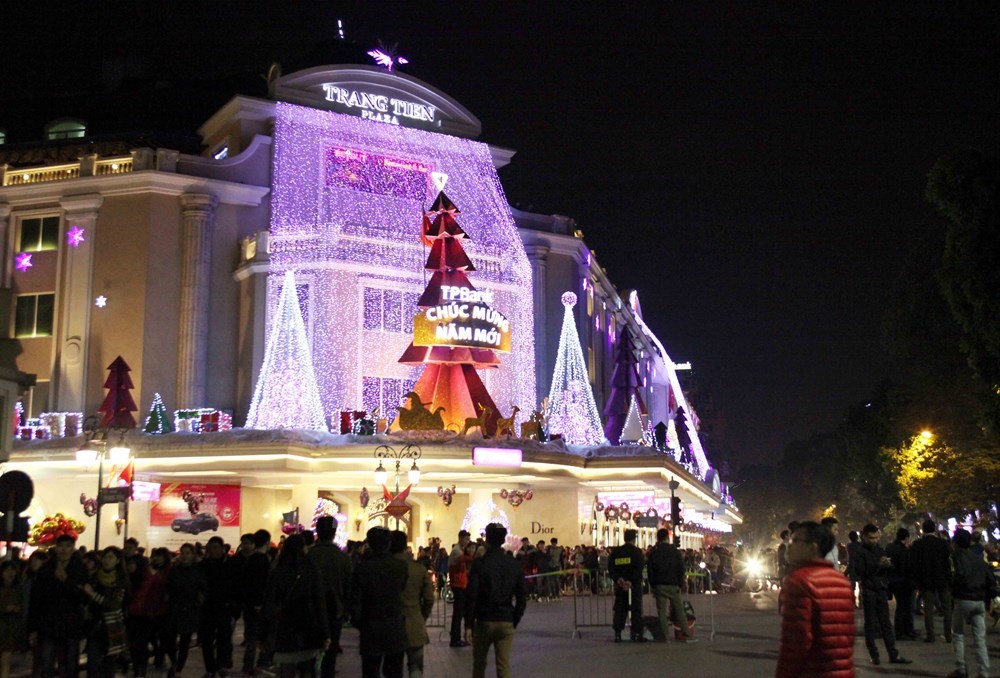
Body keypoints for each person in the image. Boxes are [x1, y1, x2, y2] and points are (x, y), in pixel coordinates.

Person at [775, 521, 854, 677]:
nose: (789, 545)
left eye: (795, 541)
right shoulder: (842, 582)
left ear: (812, 547)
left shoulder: (799, 582)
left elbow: (796, 642)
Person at [262, 534, 329, 678]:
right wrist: (325, 633)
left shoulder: (277, 572)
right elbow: (319, 604)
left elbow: (269, 602)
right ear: (303, 548)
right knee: (307, 667)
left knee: (287, 667)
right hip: (307, 625)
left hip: (285, 625)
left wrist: (264, 632)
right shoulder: (311, 571)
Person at [468, 523, 527, 678]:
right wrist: (515, 618)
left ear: (487, 539)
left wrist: (468, 623)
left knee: (479, 664)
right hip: (506, 619)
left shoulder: (480, 564)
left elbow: (472, 595)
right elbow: (522, 596)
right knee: (503, 665)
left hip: (484, 620)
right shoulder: (513, 564)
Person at [350, 527, 407, 678]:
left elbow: (354, 599)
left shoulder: (362, 568)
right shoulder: (400, 567)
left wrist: (359, 622)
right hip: (394, 626)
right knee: (394, 672)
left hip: (370, 627)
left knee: (370, 671)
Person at [29, 533, 88, 678]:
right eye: (61, 546)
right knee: (47, 665)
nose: (64, 550)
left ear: (73, 548)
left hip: (71, 625)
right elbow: (36, 600)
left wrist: (66, 580)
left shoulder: (80, 569)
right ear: (56, 548)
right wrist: (33, 628)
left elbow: (83, 597)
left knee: (70, 666)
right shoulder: (46, 570)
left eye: (68, 546)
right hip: (49, 624)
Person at [853, 524, 910, 666]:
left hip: (880, 589)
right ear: (864, 537)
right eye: (871, 538)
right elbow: (861, 571)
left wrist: (887, 565)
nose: (874, 540)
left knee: (886, 624)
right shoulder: (860, 552)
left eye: (876, 537)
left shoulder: (879, 549)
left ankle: (893, 654)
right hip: (869, 590)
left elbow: (885, 566)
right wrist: (878, 564)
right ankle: (874, 654)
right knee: (870, 624)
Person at [949, 528, 998, 678]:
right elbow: (990, 580)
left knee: (958, 634)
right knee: (980, 639)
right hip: (979, 601)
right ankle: (983, 672)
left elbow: (957, 578)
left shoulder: (956, 558)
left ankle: (961, 669)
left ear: (955, 543)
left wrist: (954, 591)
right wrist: (990, 597)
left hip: (963, 599)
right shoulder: (978, 559)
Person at [308, 516, 352, 678]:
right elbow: (348, 585)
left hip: (310, 609)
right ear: (334, 532)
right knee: (331, 652)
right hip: (335, 610)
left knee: (309, 652)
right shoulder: (342, 557)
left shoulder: (309, 555)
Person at [389, 531, 434, 678]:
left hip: (391, 625)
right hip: (414, 622)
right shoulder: (418, 569)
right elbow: (429, 598)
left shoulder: (386, 568)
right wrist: (422, 616)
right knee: (415, 667)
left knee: (393, 669)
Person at [647, 528, 695, 643]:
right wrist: (681, 583)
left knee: (662, 612)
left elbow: (650, 570)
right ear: (667, 537)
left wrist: (653, 585)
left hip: (659, 585)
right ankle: (687, 634)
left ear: (657, 538)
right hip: (673, 585)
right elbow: (681, 568)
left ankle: (665, 637)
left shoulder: (654, 552)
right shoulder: (674, 551)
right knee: (679, 610)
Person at [165, 543, 208, 676]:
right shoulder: (175, 570)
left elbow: (202, 588)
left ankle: (178, 667)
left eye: (187, 553)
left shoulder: (197, 571)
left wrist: (199, 600)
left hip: (189, 608)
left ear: (192, 555)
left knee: (185, 639)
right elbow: (168, 586)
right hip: (174, 607)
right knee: (170, 638)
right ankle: (174, 661)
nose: (184, 556)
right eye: (182, 553)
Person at [909, 518, 953, 642]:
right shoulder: (943, 543)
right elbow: (948, 561)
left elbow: (914, 564)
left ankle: (931, 635)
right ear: (934, 529)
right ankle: (948, 635)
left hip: (926, 580)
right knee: (947, 608)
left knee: (928, 608)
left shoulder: (918, 544)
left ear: (923, 530)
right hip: (942, 579)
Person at [199, 536, 235, 677]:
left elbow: (235, 585)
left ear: (222, 548)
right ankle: (210, 668)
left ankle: (221, 665)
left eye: (216, 547)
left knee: (223, 639)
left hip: (224, 606)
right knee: (206, 640)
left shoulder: (229, 564)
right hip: (207, 607)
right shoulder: (204, 564)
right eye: (211, 547)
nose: (213, 551)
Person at [240, 529, 272, 676]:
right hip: (259, 604)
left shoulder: (250, 559)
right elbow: (263, 584)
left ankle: (248, 666)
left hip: (248, 604)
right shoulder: (263, 560)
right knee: (261, 636)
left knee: (251, 636)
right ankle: (259, 664)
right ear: (267, 542)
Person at [609, 529, 644, 642]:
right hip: (633, 586)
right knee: (636, 609)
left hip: (620, 585)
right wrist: (630, 581)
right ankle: (636, 633)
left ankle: (618, 633)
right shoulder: (637, 552)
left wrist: (618, 579)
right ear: (634, 539)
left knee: (620, 608)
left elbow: (611, 568)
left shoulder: (616, 552)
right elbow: (639, 569)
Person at [885, 527, 917, 640]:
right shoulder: (904, 550)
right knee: (903, 607)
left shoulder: (889, 547)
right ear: (907, 537)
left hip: (892, 581)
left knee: (901, 606)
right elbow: (906, 567)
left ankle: (904, 630)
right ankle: (902, 631)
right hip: (903, 582)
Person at [0, 561, 26, 678]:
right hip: (4, 624)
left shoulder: (19, 588)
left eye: (13, 570)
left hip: (10, 628)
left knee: (6, 659)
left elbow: (23, 606)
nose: (10, 573)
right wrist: (5, 608)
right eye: (7, 570)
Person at [448, 530, 472, 647]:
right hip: (458, 585)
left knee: (459, 611)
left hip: (461, 584)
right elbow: (464, 560)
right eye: (466, 539)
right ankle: (455, 638)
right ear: (461, 538)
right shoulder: (457, 551)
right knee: (458, 612)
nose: (467, 542)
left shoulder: (459, 550)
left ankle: (456, 636)